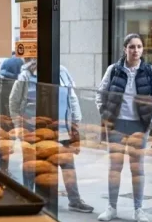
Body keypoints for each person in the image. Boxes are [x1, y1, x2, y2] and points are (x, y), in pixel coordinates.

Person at [95, 33, 152, 222]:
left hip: (139, 126)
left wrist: (151, 122)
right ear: (125, 49)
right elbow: (100, 94)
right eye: (132, 47)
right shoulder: (114, 70)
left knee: (138, 169)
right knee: (114, 168)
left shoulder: (150, 71)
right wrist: (106, 116)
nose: (136, 50)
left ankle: (138, 209)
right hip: (117, 124)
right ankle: (111, 207)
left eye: (139, 47)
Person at [9, 59, 91, 213]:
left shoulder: (63, 72)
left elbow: (72, 97)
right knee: (31, 166)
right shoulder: (25, 76)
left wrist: (75, 123)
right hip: (33, 131)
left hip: (61, 128)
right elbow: (14, 102)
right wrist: (19, 127)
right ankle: (29, 197)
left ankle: (74, 200)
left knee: (67, 164)